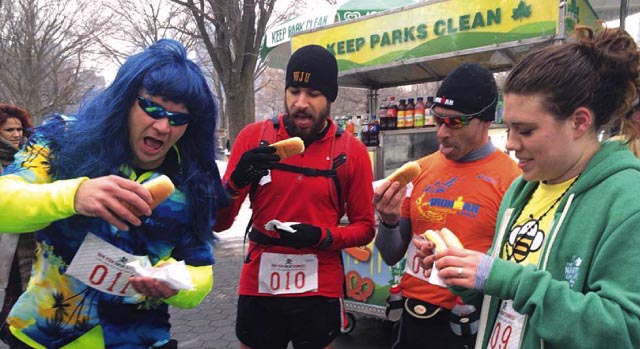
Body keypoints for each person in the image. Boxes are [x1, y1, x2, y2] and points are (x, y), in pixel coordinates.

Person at [417, 26, 640, 348]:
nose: (510, 143)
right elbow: (506, 295)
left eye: (526, 130)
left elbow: (625, 329)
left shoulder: (626, 200)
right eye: (508, 127)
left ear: (579, 122)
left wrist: (503, 277)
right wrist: (464, 274)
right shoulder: (524, 189)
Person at [0, 39, 227, 348]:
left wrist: (177, 283)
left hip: (139, 339)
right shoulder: (61, 138)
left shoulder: (193, 182)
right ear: (124, 99)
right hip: (43, 335)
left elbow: (201, 271)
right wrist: (74, 195)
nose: (162, 127)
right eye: (151, 107)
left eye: (178, 118)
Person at [214, 44, 376, 349]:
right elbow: (219, 223)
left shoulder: (351, 151)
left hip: (320, 284)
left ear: (329, 98)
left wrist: (322, 236)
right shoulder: (254, 138)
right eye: (294, 91)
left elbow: (365, 227)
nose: (301, 103)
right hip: (260, 282)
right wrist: (235, 181)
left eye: (312, 94)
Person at [373, 63, 520, 349]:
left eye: (455, 122)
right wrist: (388, 221)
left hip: (468, 322)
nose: (441, 132)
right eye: (438, 119)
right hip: (413, 317)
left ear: (485, 120)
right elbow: (391, 254)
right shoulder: (420, 170)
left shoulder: (512, 181)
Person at [0, 104, 36, 344]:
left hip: (27, 247)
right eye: (9, 129)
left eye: (19, 129)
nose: (15, 134)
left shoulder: (31, 161)